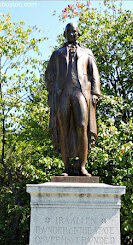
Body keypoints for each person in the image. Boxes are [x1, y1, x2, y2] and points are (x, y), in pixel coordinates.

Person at [45, 23, 101, 176]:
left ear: (78, 33)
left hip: (80, 92)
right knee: (63, 127)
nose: (71, 34)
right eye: (68, 32)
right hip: (63, 94)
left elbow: (94, 73)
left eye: (73, 31)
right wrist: (51, 92)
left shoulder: (87, 52)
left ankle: (82, 166)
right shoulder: (57, 54)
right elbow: (48, 75)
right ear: (64, 34)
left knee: (82, 125)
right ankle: (66, 167)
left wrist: (95, 92)